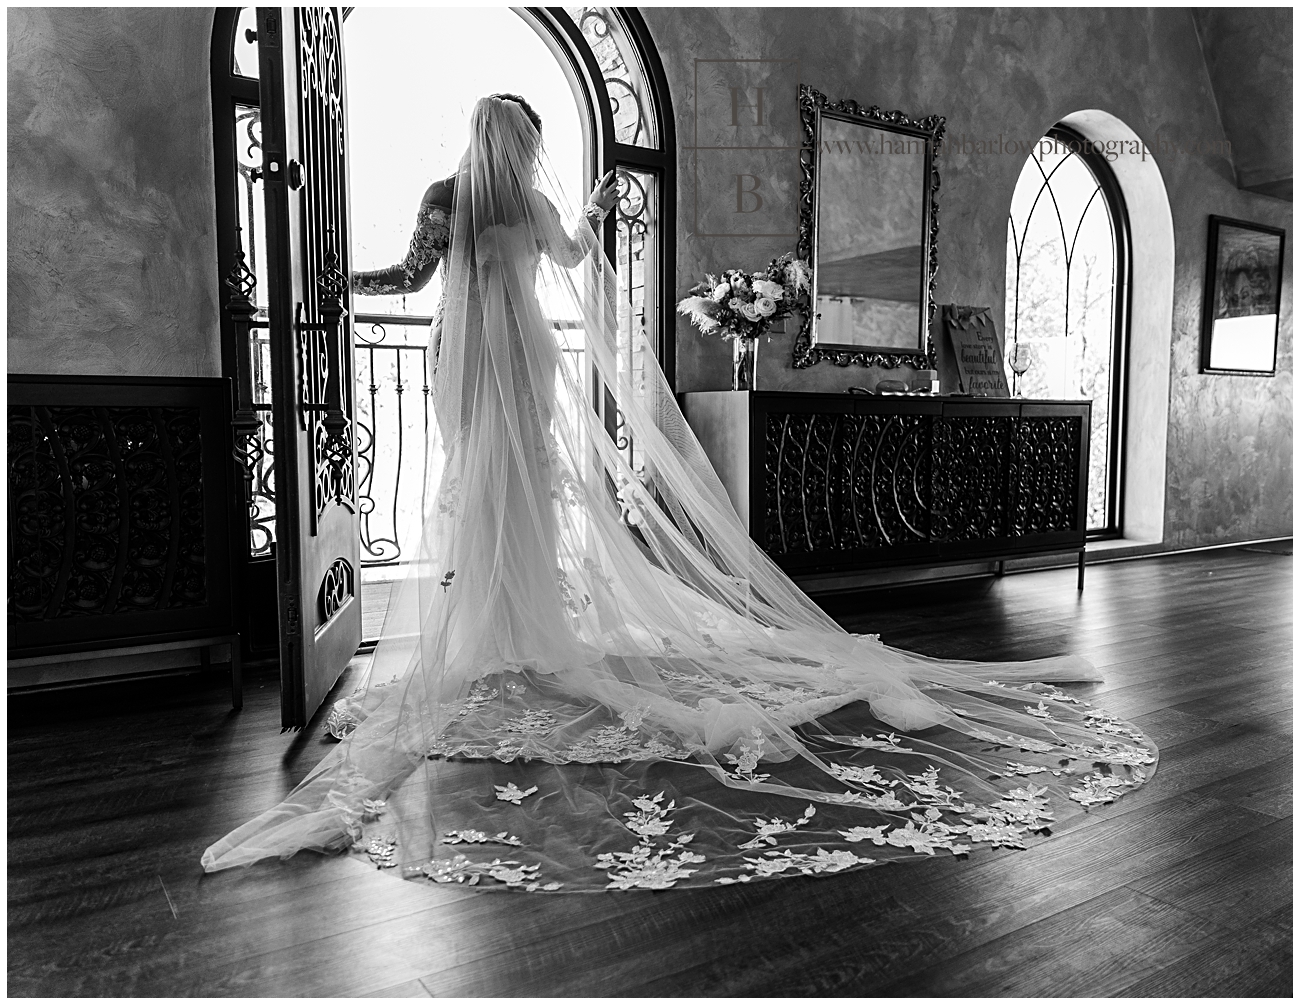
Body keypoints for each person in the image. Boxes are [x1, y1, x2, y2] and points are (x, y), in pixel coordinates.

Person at [202, 95, 1156, 891]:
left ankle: (492, 630)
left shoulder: (443, 198)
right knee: (523, 494)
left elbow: (408, 278)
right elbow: (575, 263)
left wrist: (329, 283)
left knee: (480, 495)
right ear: (523, 144)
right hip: (524, 371)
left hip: (467, 371)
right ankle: (522, 628)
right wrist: (599, 205)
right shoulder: (532, 206)